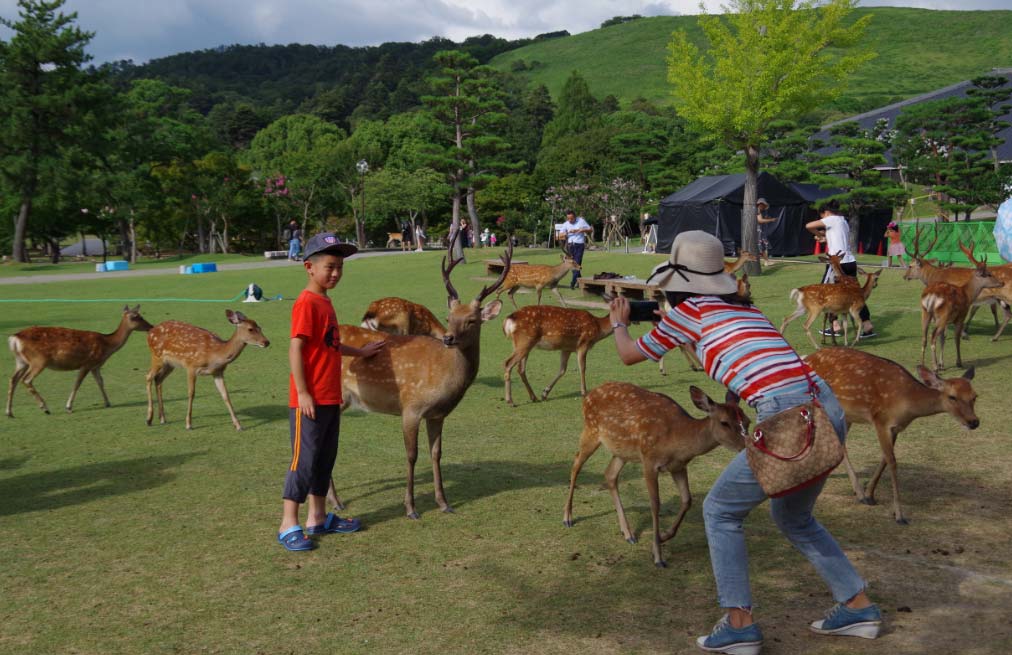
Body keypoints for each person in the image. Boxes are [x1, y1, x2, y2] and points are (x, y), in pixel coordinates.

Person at [608, 230, 883, 655]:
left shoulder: (691, 312)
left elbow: (628, 355)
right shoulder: (747, 310)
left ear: (678, 282)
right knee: (794, 518)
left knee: (719, 511)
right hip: (825, 407)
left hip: (791, 415)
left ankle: (739, 624)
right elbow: (754, 363)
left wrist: (619, 322)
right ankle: (857, 606)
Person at [277, 233, 386, 552]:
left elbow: (330, 345)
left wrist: (361, 353)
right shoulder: (307, 303)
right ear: (309, 266)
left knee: (324, 459)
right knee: (304, 460)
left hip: (329, 396)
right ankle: (288, 524)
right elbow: (296, 348)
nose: (335, 273)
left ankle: (318, 517)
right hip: (307, 400)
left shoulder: (325, 301)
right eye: (329, 267)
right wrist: (303, 392)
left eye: (339, 267)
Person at [806, 204, 876, 339]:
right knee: (856, 294)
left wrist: (818, 233)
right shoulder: (843, 221)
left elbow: (808, 226)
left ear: (825, 212)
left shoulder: (831, 219)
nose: (822, 219)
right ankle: (867, 324)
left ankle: (834, 325)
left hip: (837, 265)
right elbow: (837, 240)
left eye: (822, 216)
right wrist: (824, 236)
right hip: (850, 262)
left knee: (826, 293)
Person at [559, 210, 592, 289]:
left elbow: (590, 229)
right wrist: (566, 233)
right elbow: (560, 235)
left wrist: (582, 230)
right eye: (568, 218)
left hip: (579, 245)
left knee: (576, 263)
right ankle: (579, 281)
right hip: (570, 246)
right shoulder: (566, 224)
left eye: (571, 218)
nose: (570, 220)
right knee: (572, 264)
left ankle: (572, 283)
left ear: (575, 217)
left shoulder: (581, 221)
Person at [756, 198, 778, 265]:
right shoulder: (757, 211)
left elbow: (763, 219)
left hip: (762, 232)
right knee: (761, 247)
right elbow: (760, 220)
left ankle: (766, 261)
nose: (764, 207)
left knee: (763, 247)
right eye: (763, 205)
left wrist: (769, 218)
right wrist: (771, 220)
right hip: (758, 232)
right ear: (760, 204)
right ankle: (766, 261)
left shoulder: (762, 211)